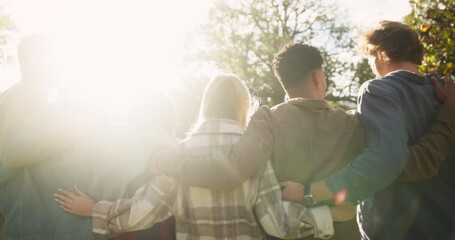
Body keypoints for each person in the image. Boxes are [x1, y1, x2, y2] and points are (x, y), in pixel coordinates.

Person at [149, 36, 455, 239]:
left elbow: (230, 171)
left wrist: (169, 160)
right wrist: (447, 114)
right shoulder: (354, 125)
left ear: (284, 83)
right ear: (319, 77)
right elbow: (410, 162)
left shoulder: (266, 120)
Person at [54, 75, 347, 239]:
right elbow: (276, 223)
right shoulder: (254, 151)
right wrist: (323, 217)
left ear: (206, 105)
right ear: (243, 106)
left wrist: (95, 210)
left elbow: (142, 212)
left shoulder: (179, 154)